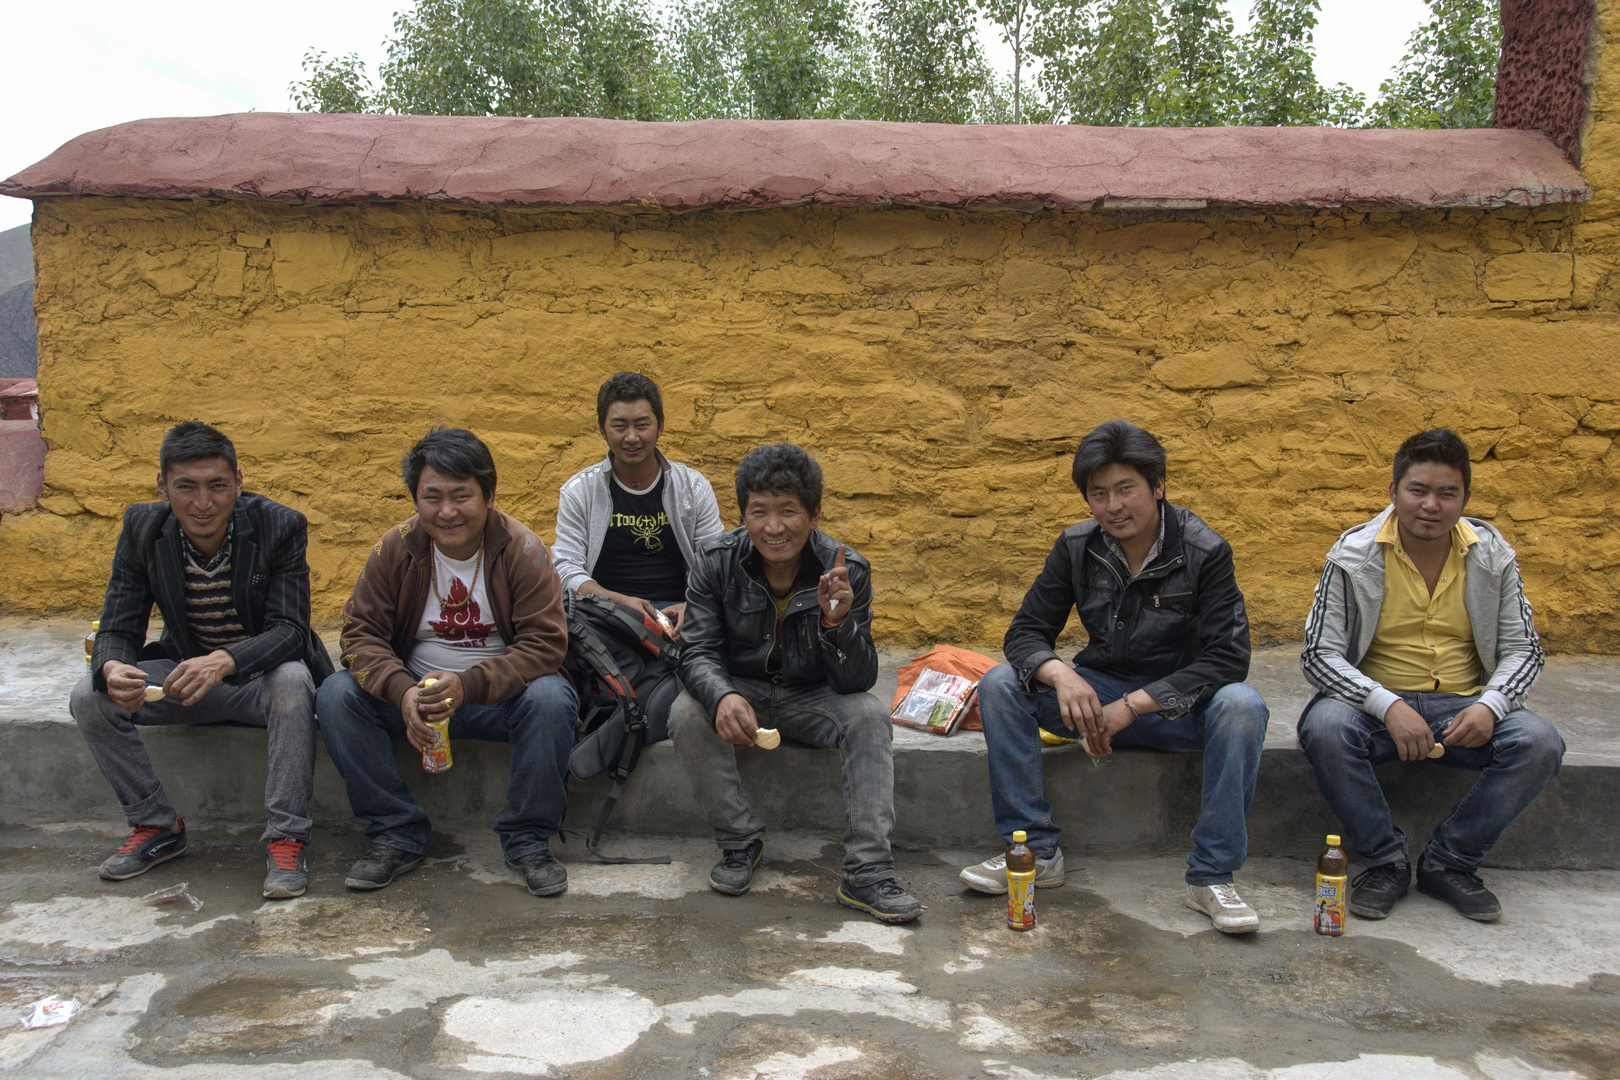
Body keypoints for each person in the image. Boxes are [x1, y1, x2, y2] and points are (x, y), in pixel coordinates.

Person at [962, 419, 1270, 934]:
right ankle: (1035, 852)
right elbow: (1024, 633)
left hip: (1178, 708)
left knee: (1244, 704)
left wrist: (1132, 706)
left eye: (1126, 489)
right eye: (1099, 494)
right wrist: (1060, 673)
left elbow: (1227, 658)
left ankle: (1211, 876)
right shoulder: (1077, 547)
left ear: (1158, 486)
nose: (1114, 506)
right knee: (999, 684)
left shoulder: (1204, 550)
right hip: (1095, 697)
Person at [1298, 428, 1563, 923]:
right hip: (1373, 705)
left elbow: (1524, 649)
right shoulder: (1353, 554)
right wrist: (1387, 705)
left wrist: (1491, 704)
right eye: (1417, 490)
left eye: (1447, 493)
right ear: (1394, 492)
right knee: (1325, 728)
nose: (1431, 505)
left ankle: (1450, 861)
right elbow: (1318, 654)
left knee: (1539, 741)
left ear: (1464, 497)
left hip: (1463, 704)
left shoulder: (1492, 554)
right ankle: (1384, 861)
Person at [70, 421, 332, 900]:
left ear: (238, 483)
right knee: (89, 696)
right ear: (162, 486)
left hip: (259, 682)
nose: (202, 502)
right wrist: (113, 668)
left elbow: (291, 632)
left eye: (216, 486)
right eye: (185, 487)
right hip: (186, 682)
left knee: (293, 681)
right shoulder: (142, 528)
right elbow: (117, 627)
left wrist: (225, 661)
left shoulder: (280, 526)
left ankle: (286, 837)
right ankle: (155, 826)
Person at [317, 428, 578, 897]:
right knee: (335, 695)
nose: (447, 511)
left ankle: (527, 839)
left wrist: (468, 685)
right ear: (415, 499)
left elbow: (544, 646)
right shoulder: (395, 549)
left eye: (462, 495)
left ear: (489, 495)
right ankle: (395, 833)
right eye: (431, 496)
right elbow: (359, 634)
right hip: (417, 700)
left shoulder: (523, 550)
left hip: (497, 700)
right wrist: (402, 691)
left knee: (551, 697)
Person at [669, 443, 921, 923]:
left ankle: (868, 872)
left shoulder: (848, 571)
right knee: (685, 712)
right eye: (759, 512)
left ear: (815, 514)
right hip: (743, 690)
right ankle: (740, 841)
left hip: (814, 697)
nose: (774, 527)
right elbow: (696, 650)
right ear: (743, 514)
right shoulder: (716, 561)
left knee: (869, 716)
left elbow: (857, 681)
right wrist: (721, 695)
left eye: (789, 511)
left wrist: (837, 626)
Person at [553, 372, 725, 635]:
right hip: (604, 613)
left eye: (642, 425)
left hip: (679, 613)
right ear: (602, 429)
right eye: (620, 426)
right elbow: (566, 569)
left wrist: (694, 606)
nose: (631, 437)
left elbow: (715, 563)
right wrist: (619, 602)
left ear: (661, 426)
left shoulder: (693, 487)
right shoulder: (580, 492)